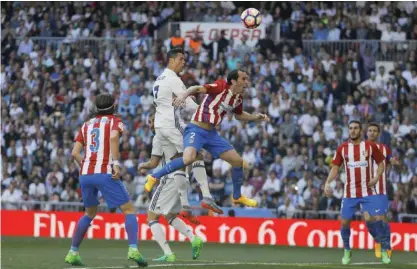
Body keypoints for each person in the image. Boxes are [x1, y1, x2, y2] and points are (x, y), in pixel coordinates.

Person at [145, 69, 270, 207]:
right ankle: (154, 176)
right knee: (188, 158)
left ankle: (237, 197)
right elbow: (197, 88)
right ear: (234, 81)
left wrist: (255, 117)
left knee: (237, 162)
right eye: (244, 79)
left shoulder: (238, 98)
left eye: (247, 79)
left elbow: (239, 115)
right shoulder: (221, 86)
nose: (247, 82)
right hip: (196, 130)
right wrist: (183, 95)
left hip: (212, 135)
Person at [65, 93, 147, 267]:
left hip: (85, 174)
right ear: (113, 106)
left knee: (89, 213)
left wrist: (86, 165)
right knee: (129, 210)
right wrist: (116, 164)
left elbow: (74, 153)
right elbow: (114, 137)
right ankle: (133, 249)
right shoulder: (115, 121)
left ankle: (73, 252)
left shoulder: (86, 125)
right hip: (105, 171)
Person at [149, 48, 223, 215]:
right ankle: (206, 196)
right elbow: (189, 103)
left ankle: (185, 205)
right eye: (181, 59)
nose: (184, 62)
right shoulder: (173, 79)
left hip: (160, 128)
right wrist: (206, 113)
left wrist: (183, 102)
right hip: (172, 124)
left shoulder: (158, 80)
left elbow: (168, 102)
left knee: (180, 161)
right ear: (171, 60)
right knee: (196, 153)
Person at [138, 114, 203, 262]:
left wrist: (143, 165)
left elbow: (154, 162)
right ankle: (194, 239)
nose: (150, 124)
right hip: (183, 178)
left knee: (151, 218)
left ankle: (168, 253)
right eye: (149, 121)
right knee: (170, 216)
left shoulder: (159, 136)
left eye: (152, 120)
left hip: (169, 179)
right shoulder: (180, 133)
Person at [324, 120, 390, 265]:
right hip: (350, 193)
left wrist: (376, 177)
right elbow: (335, 168)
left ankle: (384, 249)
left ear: (360, 131)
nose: (353, 131)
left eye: (355, 128)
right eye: (350, 128)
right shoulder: (342, 148)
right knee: (345, 221)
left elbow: (381, 164)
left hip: (368, 192)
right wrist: (327, 182)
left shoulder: (370, 146)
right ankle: (347, 250)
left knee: (376, 220)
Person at [366, 122, 398, 259]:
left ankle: (386, 246)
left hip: (380, 189)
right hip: (365, 190)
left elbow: (391, 159)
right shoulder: (360, 148)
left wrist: (394, 161)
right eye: (370, 130)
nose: (372, 133)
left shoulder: (384, 148)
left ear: (378, 134)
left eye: (375, 131)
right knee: (368, 219)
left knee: (381, 218)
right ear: (366, 133)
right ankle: (378, 240)